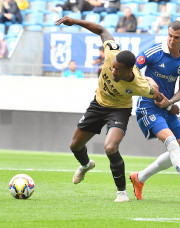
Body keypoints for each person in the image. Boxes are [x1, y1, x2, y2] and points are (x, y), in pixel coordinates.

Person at [55, 16, 161, 202]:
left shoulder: (140, 85)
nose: (113, 71)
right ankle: (86, 165)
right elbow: (102, 30)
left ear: (130, 71)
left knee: (110, 147)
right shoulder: (113, 53)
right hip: (98, 104)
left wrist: (170, 103)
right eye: (112, 68)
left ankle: (122, 193)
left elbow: (157, 94)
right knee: (75, 146)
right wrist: (75, 22)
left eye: (117, 70)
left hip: (119, 110)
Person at [129, 20, 180, 203]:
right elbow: (132, 69)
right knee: (172, 144)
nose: (172, 40)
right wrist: (147, 80)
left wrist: (170, 102)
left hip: (166, 108)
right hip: (147, 106)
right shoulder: (154, 52)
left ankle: (139, 178)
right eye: (170, 36)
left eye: (177, 37)